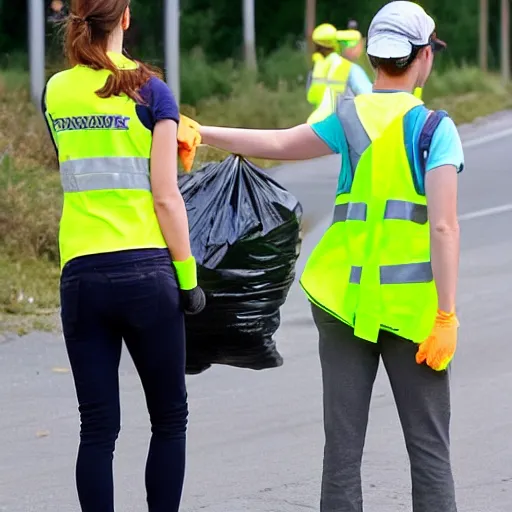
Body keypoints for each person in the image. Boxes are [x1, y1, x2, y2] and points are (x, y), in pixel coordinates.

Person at [178, 1, 462, 511]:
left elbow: (282, 142)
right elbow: (443, 226)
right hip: (412, 311)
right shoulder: (433, 129)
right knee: (428, 449)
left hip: (340, 301)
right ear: (423, 57)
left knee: (343, 450)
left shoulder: (350, 118)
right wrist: (446, 314)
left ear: (374, 57)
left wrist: (205, 130)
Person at [41, 0, 205, 511]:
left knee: (97, 429)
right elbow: (165, 196)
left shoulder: (55, 92)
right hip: (147, 274)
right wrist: (189, 281)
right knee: (169, 419)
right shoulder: (152, 92)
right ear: (126, 18)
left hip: (82, 275)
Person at [307, 23, 372, 124]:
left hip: (316, 125)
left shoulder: (317, 68)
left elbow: (311, 98)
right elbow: (369, 98)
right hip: (340, 130)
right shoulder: (350, 68)